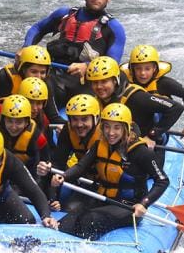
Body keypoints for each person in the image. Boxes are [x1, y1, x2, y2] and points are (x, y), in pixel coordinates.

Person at [54, 103, 168, 240]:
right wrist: (64, 176)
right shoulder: (99, 145)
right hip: (102, 199)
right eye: (107, 126)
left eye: (116, 127)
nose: (110, 132)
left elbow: (162, 180)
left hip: (128, 207)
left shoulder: (141, 152)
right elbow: (81, 167)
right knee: (65, 223)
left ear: (126, 128)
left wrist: (144, 203)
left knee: (89, 220)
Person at [22, 0, 126, 109]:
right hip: (55, 76)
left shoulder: (114, 28)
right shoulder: (65, 14)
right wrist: (26, 49)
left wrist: (88, 66)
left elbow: (113, 64)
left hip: (86, 84)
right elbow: (37, 28)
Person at [83, 55, 182, 144]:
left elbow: (176, 107)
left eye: (104, 81)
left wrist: (152, 136)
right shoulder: (95, 100)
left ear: (115, 81)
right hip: (115, 142)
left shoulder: (137, 97)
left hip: (143, 149)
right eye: (95, 83)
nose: (99, 87)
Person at [37, 93, 101, 212]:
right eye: (74, 119)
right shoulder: (68, 130)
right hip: (83, 177)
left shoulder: (106, 134)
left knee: (73, 209)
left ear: (96, 118)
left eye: (84, 119)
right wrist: (53, 198)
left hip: (104, 182)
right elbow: (58, 163)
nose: (79, 124)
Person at [122, 44, 184, 141]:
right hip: (135, 125)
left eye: (147, 68)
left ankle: (156, 138)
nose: (143, 73)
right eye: (138, 68)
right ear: (132, 69)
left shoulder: (164, 83)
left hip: (157, 130)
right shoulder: (125, 82)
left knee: (156, 112)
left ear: (154, 68)